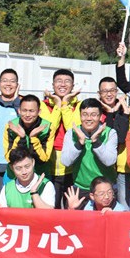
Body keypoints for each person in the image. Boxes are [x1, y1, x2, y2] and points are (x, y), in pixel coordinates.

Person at [60, 98, 118, 203]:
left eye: (93, 115)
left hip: (105, 190)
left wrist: (96, 142)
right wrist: (79, 143)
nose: (89, 118)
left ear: (100, 116)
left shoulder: (110, 133)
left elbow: (109, 161)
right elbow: (66, 161)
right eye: (85, 114)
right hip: (81, 188)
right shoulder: (72, 133)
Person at [43, 68, 81, 203]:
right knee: (52, 205)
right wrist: (58, 105)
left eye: (67, 81)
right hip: (49, 162)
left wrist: (64, 104)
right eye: (59, 81)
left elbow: (72, 129)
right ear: (53, 85)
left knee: (72, 206)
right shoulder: (43, 105)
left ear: (73, 85)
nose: (63, 84)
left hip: (73, 165)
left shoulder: (79, 106)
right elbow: (48, 129)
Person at [96, 76, 130, 206]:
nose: (109, 94)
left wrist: (115, 113)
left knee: (122, 204)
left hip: (121, 166)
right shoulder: (94, 111)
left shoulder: (124, 109)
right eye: (105, 91)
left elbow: (120, 138)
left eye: (112, 90)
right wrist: (110, 113)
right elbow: (106, 138)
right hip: (100, 166)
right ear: (99, 93)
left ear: (117, 92)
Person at [4, 94, 57, 177]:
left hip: (39, 175)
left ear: (39, 112)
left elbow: (44, 159)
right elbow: (9, 158)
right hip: (15, 175)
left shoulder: (48, 127)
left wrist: (33, 139)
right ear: (19, 111)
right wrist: (21, 138)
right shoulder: (11, 126)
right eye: (24, 110)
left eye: (31, 111)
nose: (27, 115)